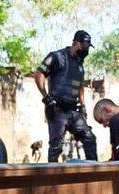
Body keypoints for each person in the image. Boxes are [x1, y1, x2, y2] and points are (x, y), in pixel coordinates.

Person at [34, 30, 98, 163]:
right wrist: (46, 97)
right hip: (57, 109)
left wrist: (83, 106)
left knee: (89, 138)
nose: (86, 50)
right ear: (75, 43)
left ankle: (93, 172)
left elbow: (80, 86)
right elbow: (39, 73)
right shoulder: (57, 57)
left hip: (73, 111)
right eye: (84, 46)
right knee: (56, 146)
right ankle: (52, 180)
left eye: (88, 47)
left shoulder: (79, 65)